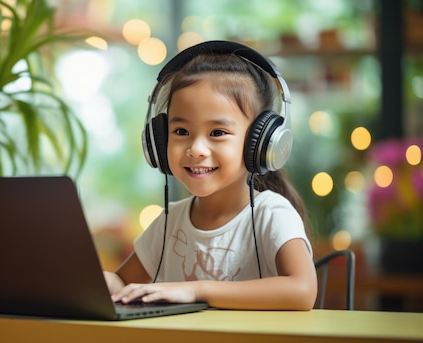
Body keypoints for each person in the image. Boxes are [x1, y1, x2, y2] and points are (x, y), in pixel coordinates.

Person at [103, 41, 318, 311]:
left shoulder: (271, 214)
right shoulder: (170, 222)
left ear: (261, 143)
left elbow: (302, 290)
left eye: (217, 133)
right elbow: (121, 282)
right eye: (181, 132)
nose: (196, 149)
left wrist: (195, 290)